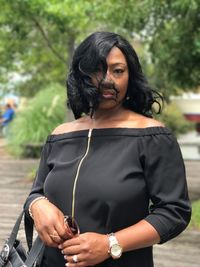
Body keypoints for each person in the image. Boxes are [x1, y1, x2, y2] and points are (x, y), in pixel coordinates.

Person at [24, 31, 191, 267]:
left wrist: (110, 244)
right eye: (97, 70)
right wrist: (36, 205)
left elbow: (174, 212)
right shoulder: (60, 135)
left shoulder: (151, 136)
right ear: (81, 75)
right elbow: (36, 192)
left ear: (130, 77)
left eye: (118, 71)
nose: (107, 79)